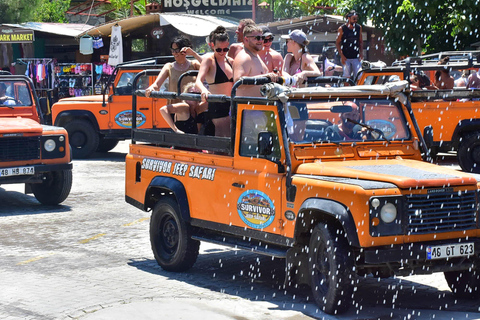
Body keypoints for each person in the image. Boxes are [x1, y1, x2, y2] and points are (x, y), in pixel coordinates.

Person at [196, 26, 234, 137]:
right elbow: (198, 80)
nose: (222, 52)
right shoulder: (209, 60)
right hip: (217, 104)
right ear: (213, 46)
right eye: (219, 49)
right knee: (223, 137)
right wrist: (204, 90)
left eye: (225, 49)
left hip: (231, 104)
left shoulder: (230, 61)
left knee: (233, 138)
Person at [145, 36, 201, 104]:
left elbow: (209, 67)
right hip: (174, 105)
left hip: (192, 105)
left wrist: (194, 54)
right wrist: (151, 88)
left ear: (184, 50)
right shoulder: (169, 66)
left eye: (177, 50)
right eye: (172, 50)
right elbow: (156, 84)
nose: (174, 53)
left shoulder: (194, 64)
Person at [233, 24, 278, 97]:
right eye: (257, 38)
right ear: (246, 39)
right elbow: (238, 82)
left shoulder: (255, 56)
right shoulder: (244, 57)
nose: (261, 41)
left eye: (262, 38)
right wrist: (265, 76)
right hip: (247, 107)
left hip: (259, 106)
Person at [336, 10, 363, 79]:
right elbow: (338, 43)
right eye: (354, 19)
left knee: (360, 75)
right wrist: (341, 55)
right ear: (349, 18)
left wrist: (361, 53)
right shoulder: (342, 29)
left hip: (355, 56)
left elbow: (360, 41)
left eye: (356, 19)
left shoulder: (358, 27)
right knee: (346, 76)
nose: (355, 20)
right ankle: (346, 89)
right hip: (346, 57)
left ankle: (358, 88)